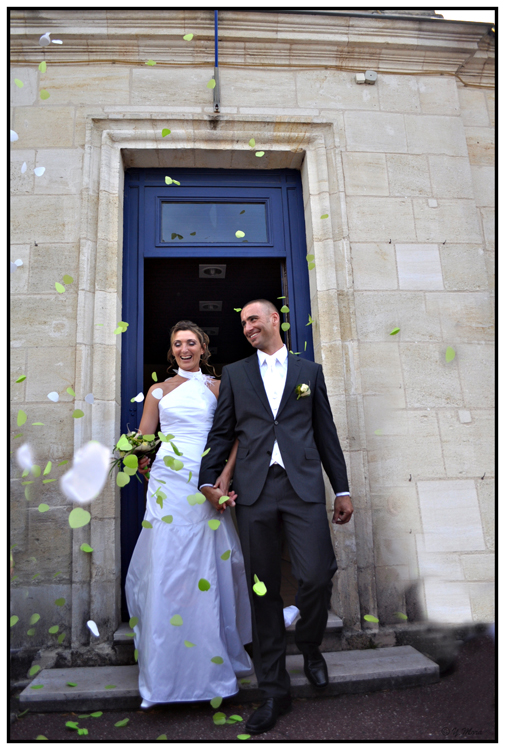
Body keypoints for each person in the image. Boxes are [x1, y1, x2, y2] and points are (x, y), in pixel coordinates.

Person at [199, 299, 353, 735]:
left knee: (317, 575)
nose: (247, 326)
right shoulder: (235, 373)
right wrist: (208, 479)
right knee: (262, 589)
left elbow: (326, 432)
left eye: (253, 319)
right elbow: (222, 431)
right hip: (254, 490)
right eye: (242, 322)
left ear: (274, 319)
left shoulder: (309, 372)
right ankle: (273, 691)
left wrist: (341, 488)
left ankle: (309, 644)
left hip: (302, 486)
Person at [125, 321, 252, 708]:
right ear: (172, 350)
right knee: (169, 561)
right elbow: (146, 438)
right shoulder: (158, 391)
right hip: (168, 480)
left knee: (205, 562)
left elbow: (235, 435)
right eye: (178, 343)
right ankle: (164, 666)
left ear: (203, 348)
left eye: (191, 342)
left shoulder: (218, 387)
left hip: (205, 476)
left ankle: (211, 658)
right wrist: (133, 456)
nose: (184, 348)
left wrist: (224, 477)